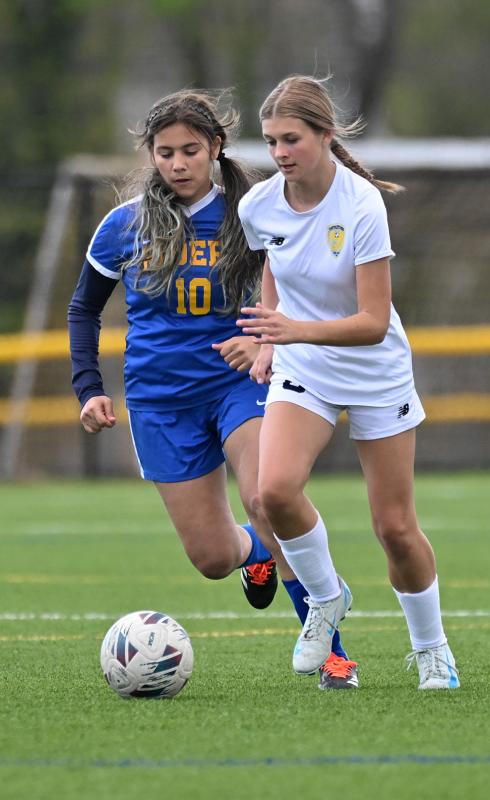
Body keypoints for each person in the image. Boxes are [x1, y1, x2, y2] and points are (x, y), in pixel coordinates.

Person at [67, 88, 358, 690]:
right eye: (166, 152)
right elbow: (83, 310)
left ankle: (332, 653)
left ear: (215, 148)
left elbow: (296, 282)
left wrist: (267, 344)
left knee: (266, 497)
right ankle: (255, 555)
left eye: (191, 150)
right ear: (151, 155)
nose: (178, 163)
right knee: (211, 559)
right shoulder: (123, 227)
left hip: (238, 384)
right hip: (159, 402)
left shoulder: (250, 213)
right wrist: (88, 388)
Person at [237, 75, 460, 690]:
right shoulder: (257, 205)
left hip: (374, 370)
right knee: (272, 493)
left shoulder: (362, 204)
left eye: (292, 139)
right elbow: (275, 273)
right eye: (271, 141)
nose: (280, 153)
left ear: (325, 136)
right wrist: (266, 335)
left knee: (394, 527)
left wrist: (291, 332)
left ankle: (432, 649)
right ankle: (327, 596)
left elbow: (369, 322)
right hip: (306, 367)